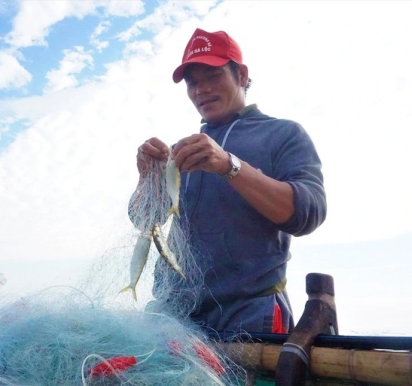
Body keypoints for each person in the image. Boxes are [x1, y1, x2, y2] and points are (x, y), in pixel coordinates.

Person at [132, 28, 326, 336]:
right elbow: (146, 220)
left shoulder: (284, 134)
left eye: (213, 75)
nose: (201, 90)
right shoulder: (185, 150)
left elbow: (309, 214)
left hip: (250, 313)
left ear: (242, 75)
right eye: (192, 82)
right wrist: (149, 181)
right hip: (174, 313)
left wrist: (229, 165)